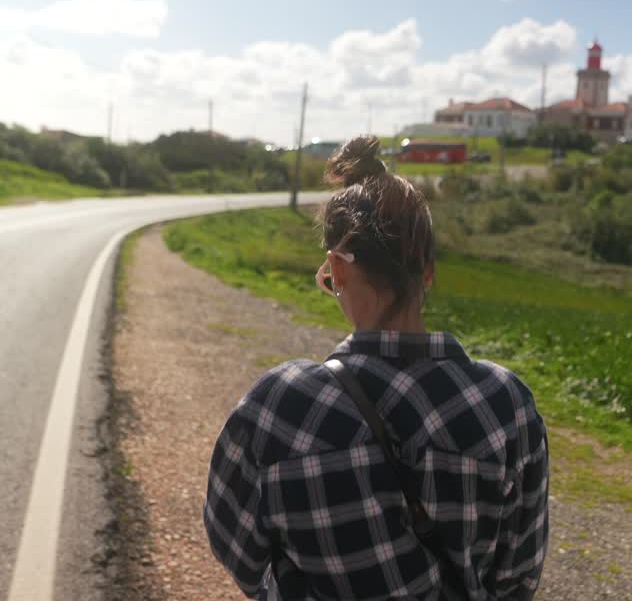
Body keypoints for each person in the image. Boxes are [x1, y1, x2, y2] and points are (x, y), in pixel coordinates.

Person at [204, 136, 549, 600]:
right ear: (427, 271)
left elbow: (238, 551)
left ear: (337, 270)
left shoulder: (278, 406)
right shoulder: (506, 406)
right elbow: (518, 578)